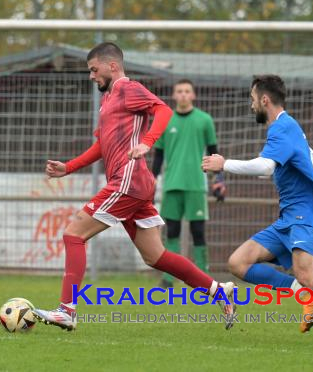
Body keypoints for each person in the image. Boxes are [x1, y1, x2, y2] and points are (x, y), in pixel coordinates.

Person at [33, 42, 236, 331]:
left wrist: (147, 142)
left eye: (94, 70)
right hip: (135, 183)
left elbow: (163, 110)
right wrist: (69, 167)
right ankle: (218, 290)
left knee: (73, 234)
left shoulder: (128, 88)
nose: (91, 76)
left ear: (112, 66)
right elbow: (102, 145)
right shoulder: (108, 100)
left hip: (128, 181)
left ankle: (67, 310)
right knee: (155, 256)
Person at [202, 74, 313, 347]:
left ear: (265, 99)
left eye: (252, 99)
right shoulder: (287, 128)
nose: (251, 105)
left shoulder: (282, 128)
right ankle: (305, 297)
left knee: (307, 275)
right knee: (238, 263)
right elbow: (311, 157)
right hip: (292, 217)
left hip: (302, 217)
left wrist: (225, 164)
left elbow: (266, 167)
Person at [152, 79, 225, 288]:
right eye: (179, 91)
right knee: (171, 232)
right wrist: (152, 180)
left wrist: (219, 181)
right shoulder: (165, 120)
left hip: (196, 185)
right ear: (174, 95)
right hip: (172, 185)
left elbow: (214, 153)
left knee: (198, 232)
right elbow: (158, 155)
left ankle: (205, 279)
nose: (183, 95)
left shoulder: (204, 120)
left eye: (187, 91)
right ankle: (168, 279)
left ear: (193, 95)